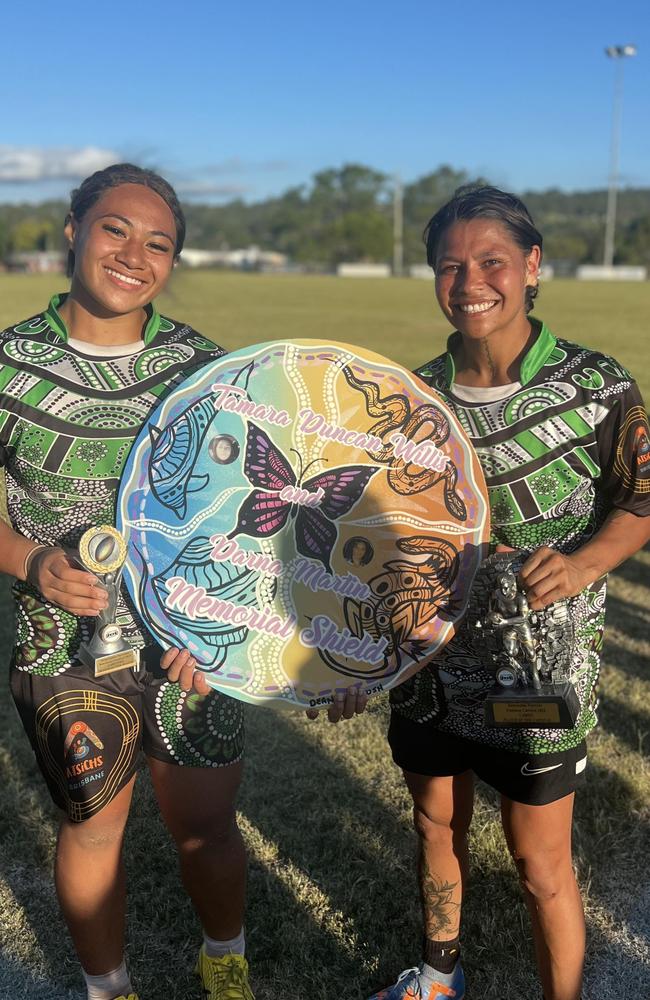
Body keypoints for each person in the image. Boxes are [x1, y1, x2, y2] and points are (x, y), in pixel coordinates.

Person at [365, 185, 650, 1000]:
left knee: (538, 860)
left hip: (539, 677)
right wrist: (359, 654)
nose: (469, 282)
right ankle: (437, 975)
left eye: (491, 261)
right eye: (449, 266)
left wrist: (589, 561)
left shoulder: (594, 384)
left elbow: (642, 494)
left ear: (531, 266)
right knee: (435, 824)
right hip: (428, 669)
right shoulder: (407, 400)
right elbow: (379, 537)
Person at [2, 164, 254, 1000]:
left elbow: (249, 510)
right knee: (94, 826)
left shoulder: (205, 368)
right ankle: (107, 989)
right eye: (115, 229)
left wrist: (227, 622)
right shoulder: (9, 364)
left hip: (193, 641)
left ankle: (225, 959)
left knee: (206, 825)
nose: (134, 254)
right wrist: (32, 562)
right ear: (73, 228)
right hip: (64, 645)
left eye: (159, 243)